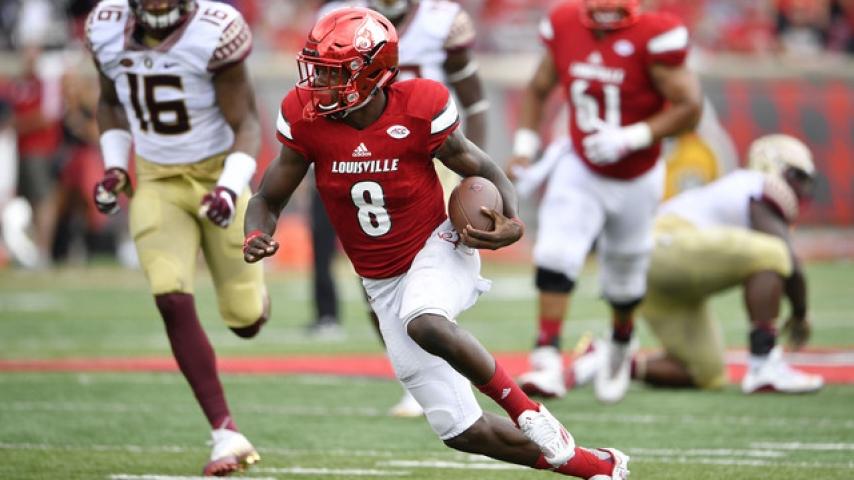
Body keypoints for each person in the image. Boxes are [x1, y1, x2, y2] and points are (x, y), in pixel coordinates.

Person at [244, 7, 629, 479]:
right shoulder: (306, 119)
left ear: (371, 72)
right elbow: (267, 198)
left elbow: (481, 167)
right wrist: (257, 232)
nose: (319, 83)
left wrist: (511, 220)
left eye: (332, 72)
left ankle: (530, 413)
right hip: (380, 281)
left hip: (438, 243)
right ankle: (596, 466)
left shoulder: (418, 105)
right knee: (460, 429)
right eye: (318, 70)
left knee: (424, 321)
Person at [86, 0, 269, 475]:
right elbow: (110, 103)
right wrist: (114, 166)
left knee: (245, 319)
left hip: (218, 175)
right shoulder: (105, 25)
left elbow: (248, 123)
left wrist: (229, 188)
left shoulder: (216, 30)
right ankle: (225, 433)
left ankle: (256, 301)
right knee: (169, 294)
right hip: (158, 180)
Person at [507, 0, 703, 404]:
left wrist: (631, 137)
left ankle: (620, 340)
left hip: (637, 174)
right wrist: (525, 147)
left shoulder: (655, 34)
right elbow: (539, 87)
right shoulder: (564, 22)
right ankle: (546, 355)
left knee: (626, 273)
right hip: (581, 164)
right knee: (555, 253)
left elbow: (690, 108)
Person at [308, 0, 489, 417]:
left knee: (426, 279)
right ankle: (418, 375)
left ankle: (453, 372)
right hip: (362, 158)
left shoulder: (442, 20)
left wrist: (474, 171)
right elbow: (318, 96)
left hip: (427, 157)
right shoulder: (338, 20)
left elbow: (474, 101)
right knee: (377, 280)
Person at [571, 134, 824, 394]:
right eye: (798, 176)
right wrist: (800, 313)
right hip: (664, 243)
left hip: (654, 268)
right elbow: (786, 258)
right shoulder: (758, 184)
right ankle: (764, 364)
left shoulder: (739, 190)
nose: (802, 187)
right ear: (773, 166)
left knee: (707, 373)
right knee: (774, 251)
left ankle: (609, 361)